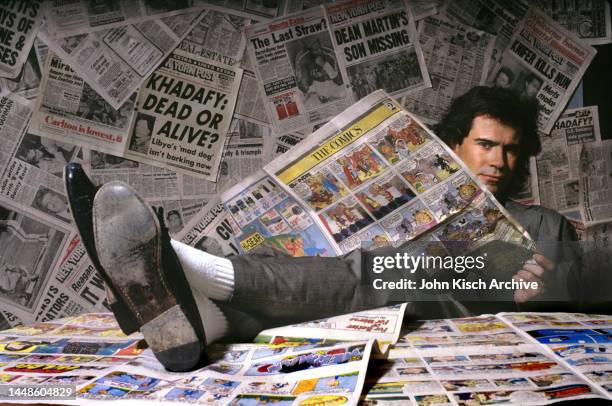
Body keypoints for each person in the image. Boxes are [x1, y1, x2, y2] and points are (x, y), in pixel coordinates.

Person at [67, 86, 580, 372]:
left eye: (511, 150)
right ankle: (200, 320)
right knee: (345, 277)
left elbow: (567, 291)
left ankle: (178, 265)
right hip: (367, 303)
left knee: (379, 273)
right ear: (454, 147)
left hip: (443, 298)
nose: (500, 160)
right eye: (487, 145)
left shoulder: (543, 222)